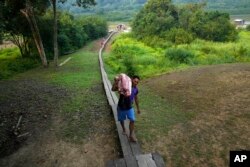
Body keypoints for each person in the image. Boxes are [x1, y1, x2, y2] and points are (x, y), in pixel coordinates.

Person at [112, 75, 141, 142]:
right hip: (121, 106)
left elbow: (136, 98)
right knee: (122, 120)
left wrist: (138, 108)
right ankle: (124, 129)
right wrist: (116, 82)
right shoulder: (124, 85)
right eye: (135, 81)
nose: (136, 83)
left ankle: (131, 136)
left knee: (132, 120)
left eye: (137, 82)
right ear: (131, 79)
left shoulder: (136, 89)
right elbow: (113, 89)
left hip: (129, 107)